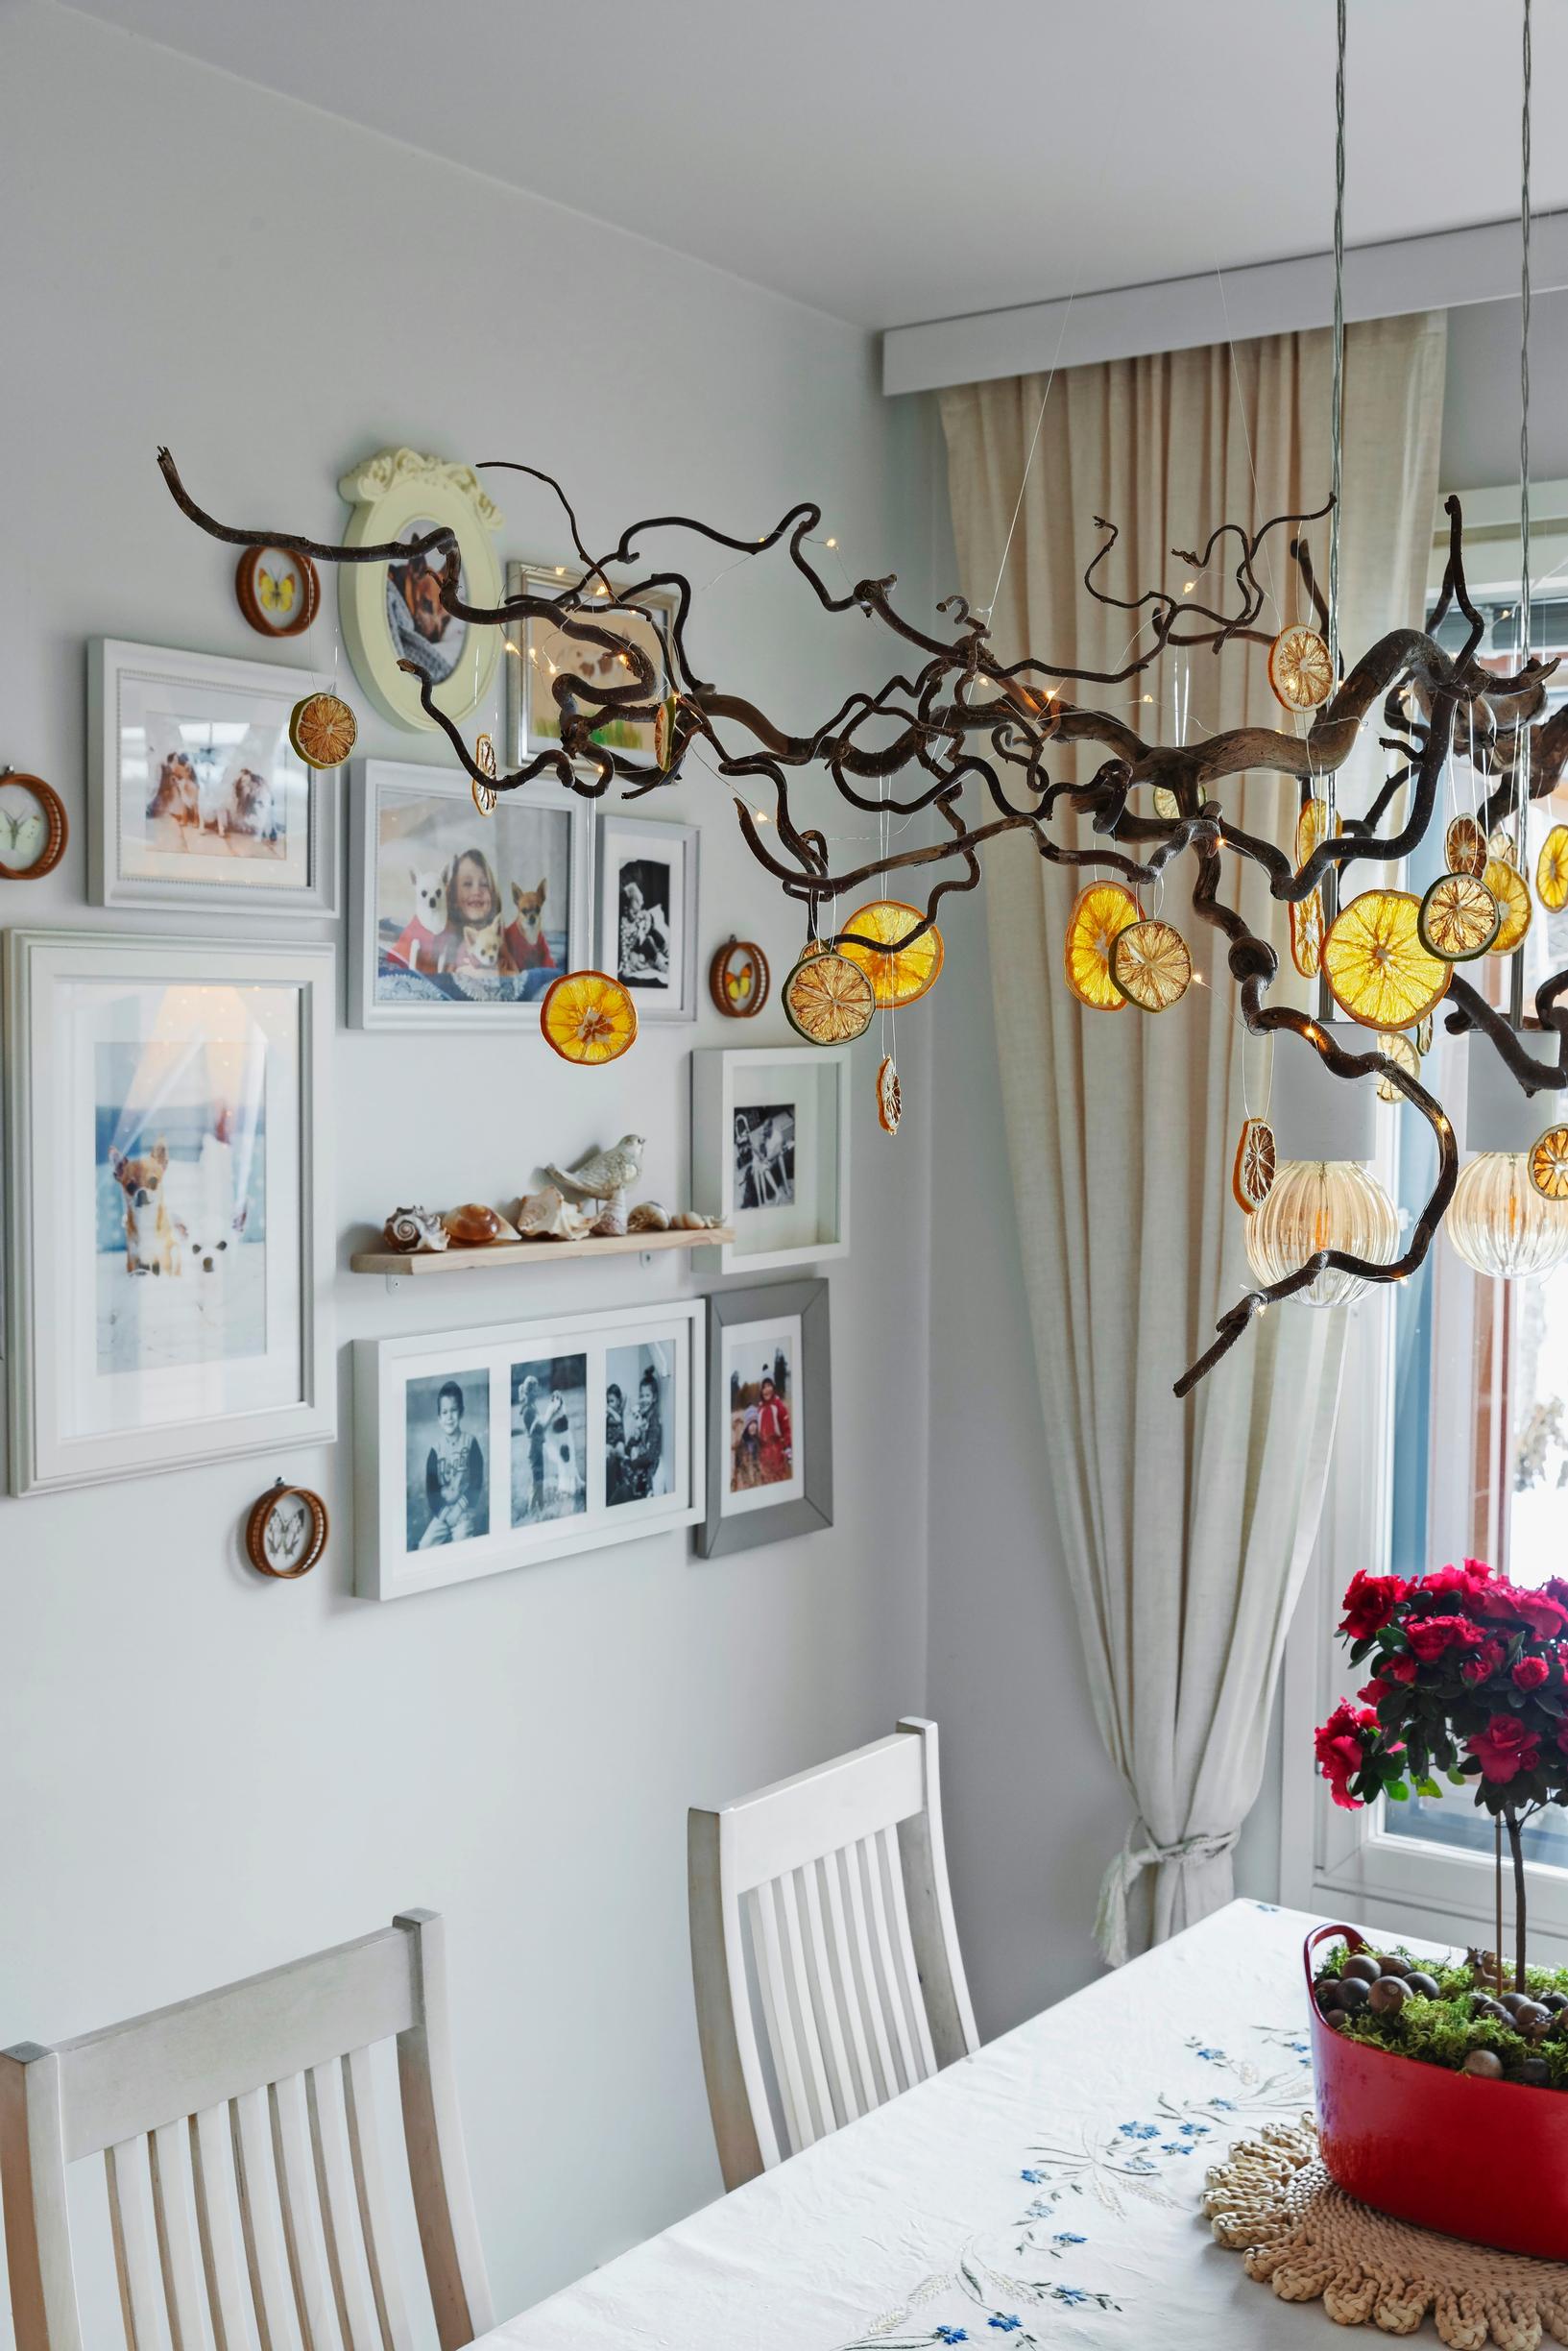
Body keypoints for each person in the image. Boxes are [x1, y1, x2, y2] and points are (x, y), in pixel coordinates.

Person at [419, 1379, 485, 1545]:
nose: (449, 1417)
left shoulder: (471, 1443)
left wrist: (458, 1510)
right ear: (439, 1417)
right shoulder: (435, 1450)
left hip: (464, 1510)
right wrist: (445, 1513)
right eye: (445, 1412)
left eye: (454, 1410)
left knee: (461, 1538)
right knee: (425, 1545)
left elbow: (476, 1482)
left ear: (461, 1412)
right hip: (443, 1513)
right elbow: (431, 1490)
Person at [757, 1373, 792, 1486]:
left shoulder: (778, 1406)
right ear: (761, 1391)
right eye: (763, 1387)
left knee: (778, 1480)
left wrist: (788, 1448)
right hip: (764, 1454)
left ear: (773, 1387)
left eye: (769, 1385)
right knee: (766, 1482)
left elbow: (786, 1429)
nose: (766, 1389)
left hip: (777, 1450)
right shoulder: (760, 1409)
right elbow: (758, 1433)